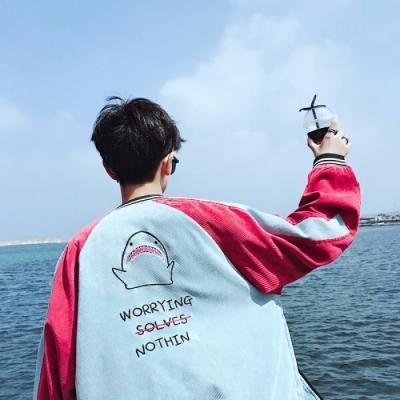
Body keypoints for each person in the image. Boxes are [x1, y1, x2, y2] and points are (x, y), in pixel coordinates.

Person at [33, 96, 361, 400]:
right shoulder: (213, 221)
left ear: (110, 170)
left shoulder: (80, 252)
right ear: (167, 163)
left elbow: (55, 369)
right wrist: (329, 159)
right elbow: (318, 234)